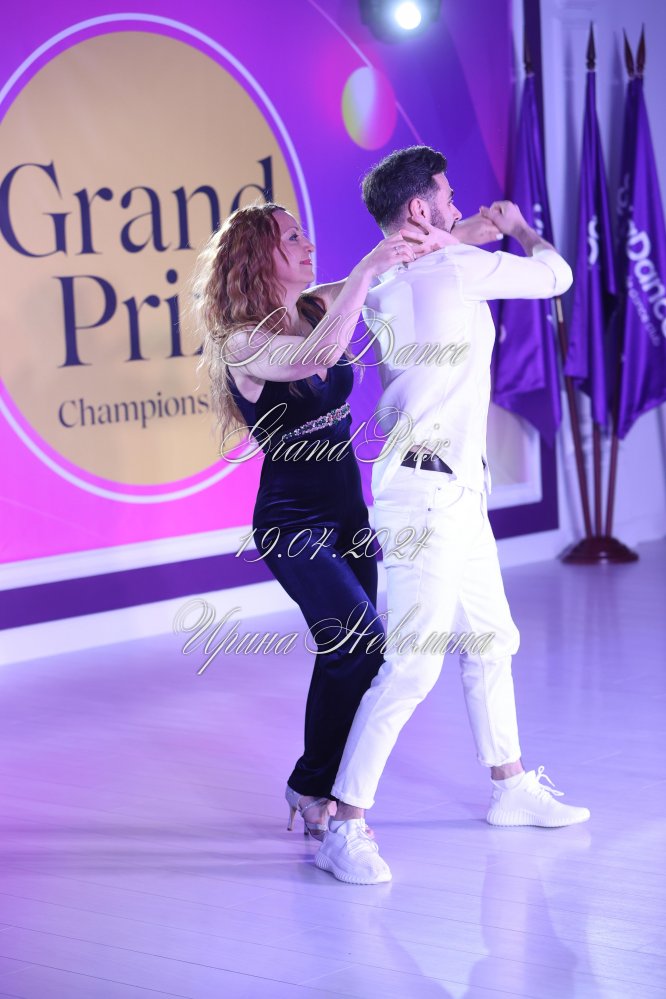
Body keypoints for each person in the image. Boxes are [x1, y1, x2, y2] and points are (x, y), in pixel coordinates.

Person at [314, 146, 590, 885]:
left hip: (453, 491)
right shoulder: (458, 268)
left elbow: (423, 254)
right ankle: (344, 825)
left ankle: (510, 785)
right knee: (412, 666)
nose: (457, 201)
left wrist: (461, 233)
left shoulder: (387, 278)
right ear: (420, 209)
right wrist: (520, 228)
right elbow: (557, 276)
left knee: (493, 638)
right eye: (447, 193)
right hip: (426, 496)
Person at [195, 202, 430, 839]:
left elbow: (396, 265)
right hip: (291, 521)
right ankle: (313, 785)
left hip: (347, 512)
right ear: (257, 256)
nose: (307, 243)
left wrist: (473, 230)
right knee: (360, 641)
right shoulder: (241, 341)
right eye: (292, 236)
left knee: (353, 652)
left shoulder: (318, 303)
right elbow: (320, 355)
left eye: (304, 231)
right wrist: (367, 271)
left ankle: (316, 788)